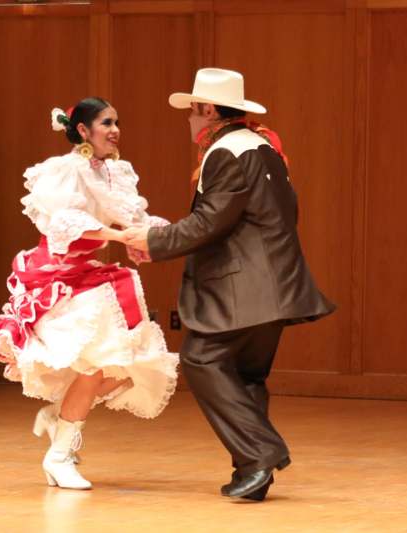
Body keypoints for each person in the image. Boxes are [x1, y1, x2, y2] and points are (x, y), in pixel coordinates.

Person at [125, 68, 335, 501]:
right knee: (246, 375)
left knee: (201, 359)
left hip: (244, 289)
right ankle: (252, 474)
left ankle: (261, 453)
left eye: (192, 111)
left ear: (208, 111)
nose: (189, 119)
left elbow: (209, 222)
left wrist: (152, 240)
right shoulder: (263, 148)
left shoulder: (226, 153)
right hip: (278, 284)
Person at [0, 97, 178, 490]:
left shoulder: (116, 172)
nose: (115, 130)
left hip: (90, 274)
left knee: (130, 368)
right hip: (58, 275)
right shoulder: (65, 170)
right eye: (106, 123)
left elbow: (133, 218)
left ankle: (57, 416)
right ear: (83, 130)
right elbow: (68, 223)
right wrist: (120, 236)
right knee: (93, 365)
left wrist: (151, 238)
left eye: (116, 122)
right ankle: (59, 457)